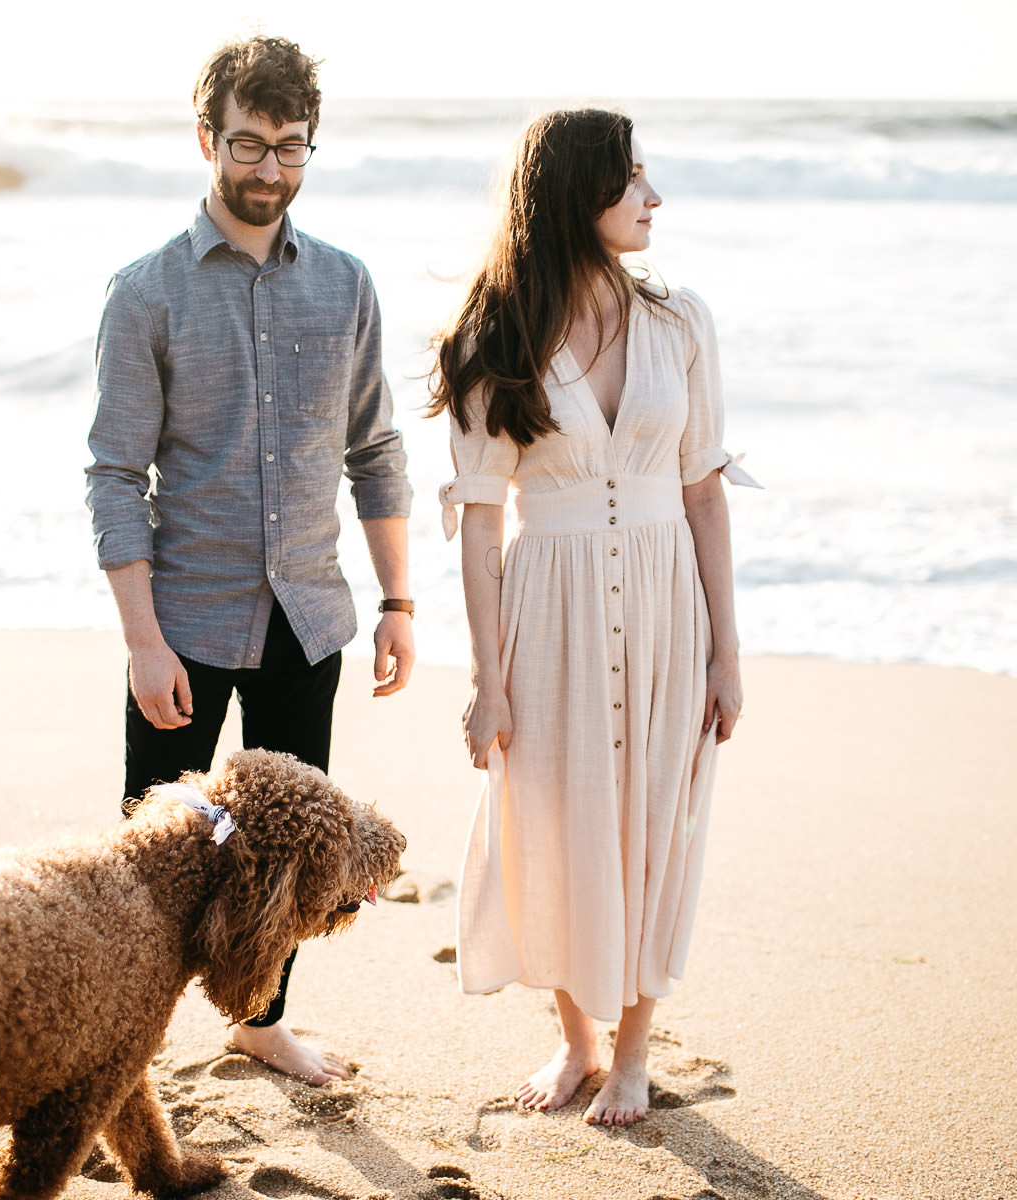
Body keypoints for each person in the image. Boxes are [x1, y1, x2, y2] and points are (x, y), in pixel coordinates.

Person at [85, 35, 415, 1088]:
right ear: (206, 139)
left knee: (295, 861)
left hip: (307, 619)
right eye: (247, 145)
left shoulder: (348, 286)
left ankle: (262, 1025)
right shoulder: (146, 294)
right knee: (154, 861)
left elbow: (374, 449)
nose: (268, 169)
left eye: (289, 147)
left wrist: (400, 598)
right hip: (184, 624)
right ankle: (112, 1051)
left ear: (310, 147)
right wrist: (143, 642)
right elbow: (112, 475)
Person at [430, 109, 759, 1126]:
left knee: (659, 823)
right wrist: (488, 679)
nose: (653, 200)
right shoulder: (496, 338)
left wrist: (728, 655)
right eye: (632, 182)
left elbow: (704, 491)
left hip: (669, 608)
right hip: (551, 610)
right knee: (556, 826)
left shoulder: (679, 320)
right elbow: (481, 524)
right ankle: (577, 1042)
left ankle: (634, 1053)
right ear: (580, 196)